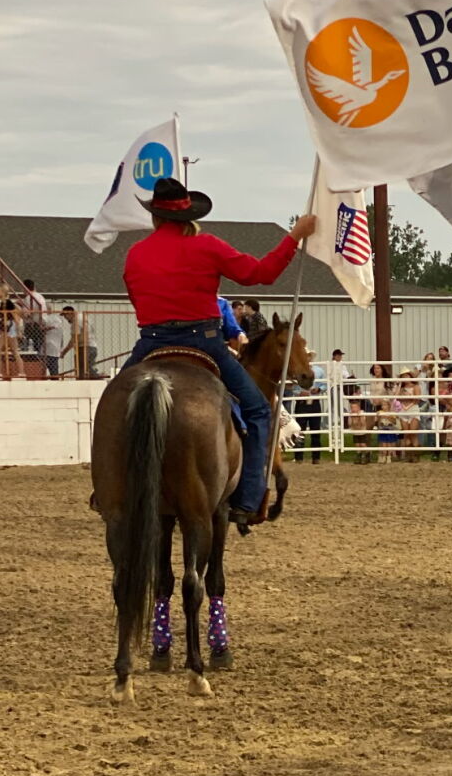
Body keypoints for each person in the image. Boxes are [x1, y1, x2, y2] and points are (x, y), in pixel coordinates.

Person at [120, 176, 316, 527]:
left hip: (151, 342)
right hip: (204, 341)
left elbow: (137, 300)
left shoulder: (135, 253)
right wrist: (295, 236)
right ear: (188, 216)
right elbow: (262, 274)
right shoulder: (207, 245)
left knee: (114, 407)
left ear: (155, 217)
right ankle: (247, 499)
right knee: (257, 412)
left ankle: (111, 489)